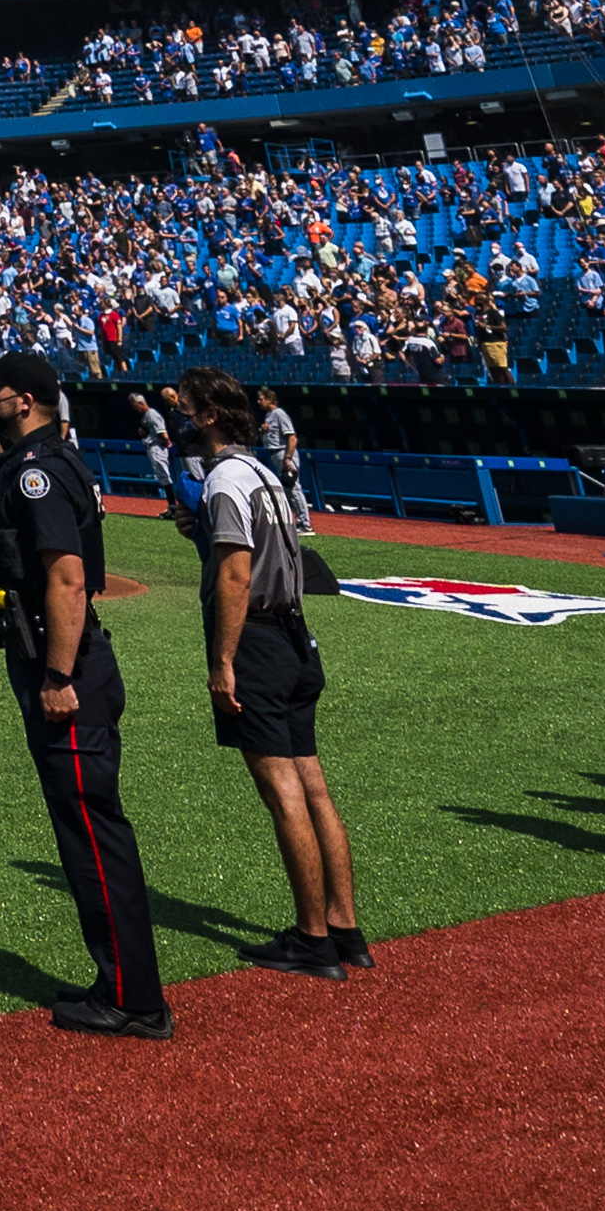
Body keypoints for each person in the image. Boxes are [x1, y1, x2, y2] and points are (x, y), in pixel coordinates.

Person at [0, 355, 165, 1034]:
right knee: (82, 826)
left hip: (68, 666)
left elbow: (69, 579)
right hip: (57, 657)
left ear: (23, 400)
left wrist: (56, 676)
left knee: (92, 828)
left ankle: (134, 996)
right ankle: (121, 980)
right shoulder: (30, 455)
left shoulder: (39, 470)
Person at [178, 367, 361, 977]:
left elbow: (236, 575)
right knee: (315, 789)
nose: (180, 412)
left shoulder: (224, 479)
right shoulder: (264, 474)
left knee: (282, 793)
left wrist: (223, 661)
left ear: (208, 417)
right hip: (295, 639)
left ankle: (311, 939)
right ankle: (343, 927)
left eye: (188, 405)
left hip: (256, 643)